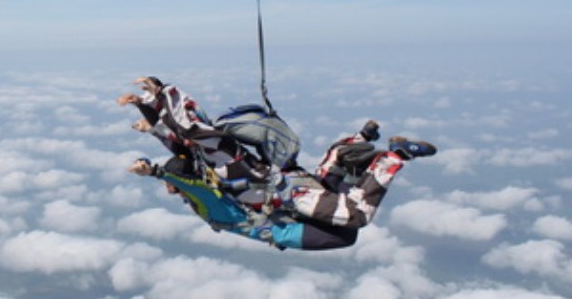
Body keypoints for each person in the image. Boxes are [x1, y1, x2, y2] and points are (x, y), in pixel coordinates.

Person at [120, 78, 437, 250]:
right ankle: (347, 150)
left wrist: (157, 170)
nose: (171, 190)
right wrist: (148, 106)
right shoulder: (212, 165)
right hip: (288, 186)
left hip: (287, 196)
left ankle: (395, 156)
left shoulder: (213, 181)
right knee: (343, 225)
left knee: (355, 216)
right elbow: (181, 141)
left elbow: (187, 147)